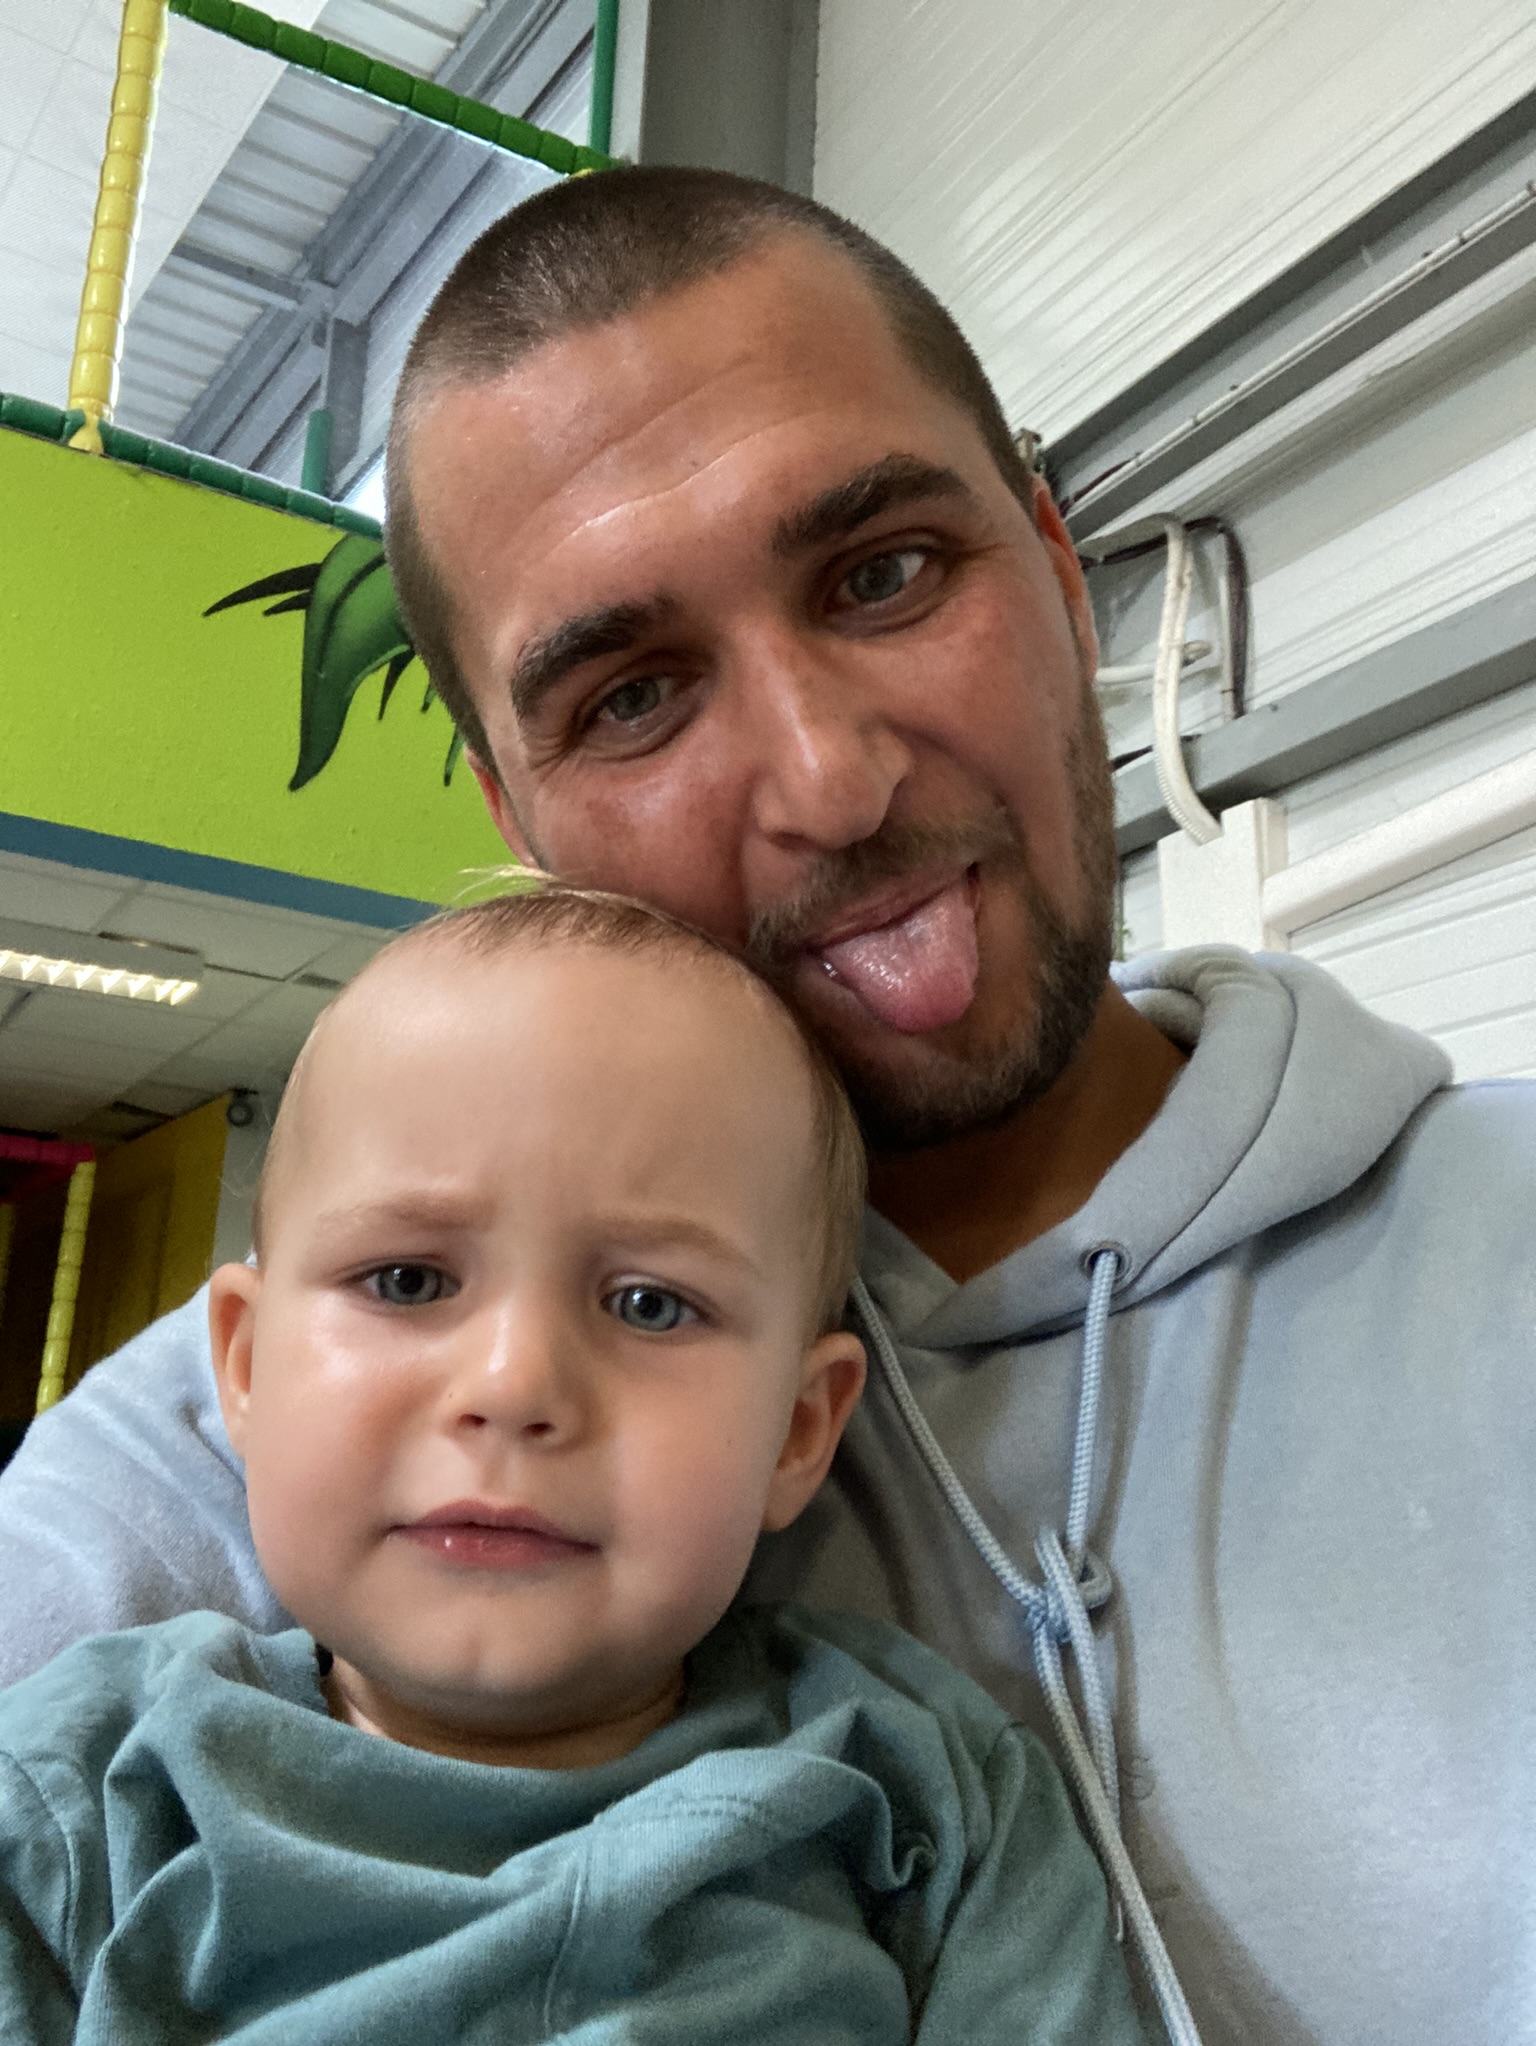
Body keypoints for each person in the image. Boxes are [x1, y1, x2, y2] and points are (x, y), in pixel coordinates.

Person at [1, 167, 1531, 2046]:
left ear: (1063, 574)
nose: (827, 782)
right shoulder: (265, 1431)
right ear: (516, 818)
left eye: (885, 574)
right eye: (634, 696)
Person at [0, 890, 1148, 2046]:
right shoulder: (79, 1798)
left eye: (651, 1305)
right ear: (246, 1367)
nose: (514, 1385)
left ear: (800, 1431)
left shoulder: (922, 1795)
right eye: (407, 1281)